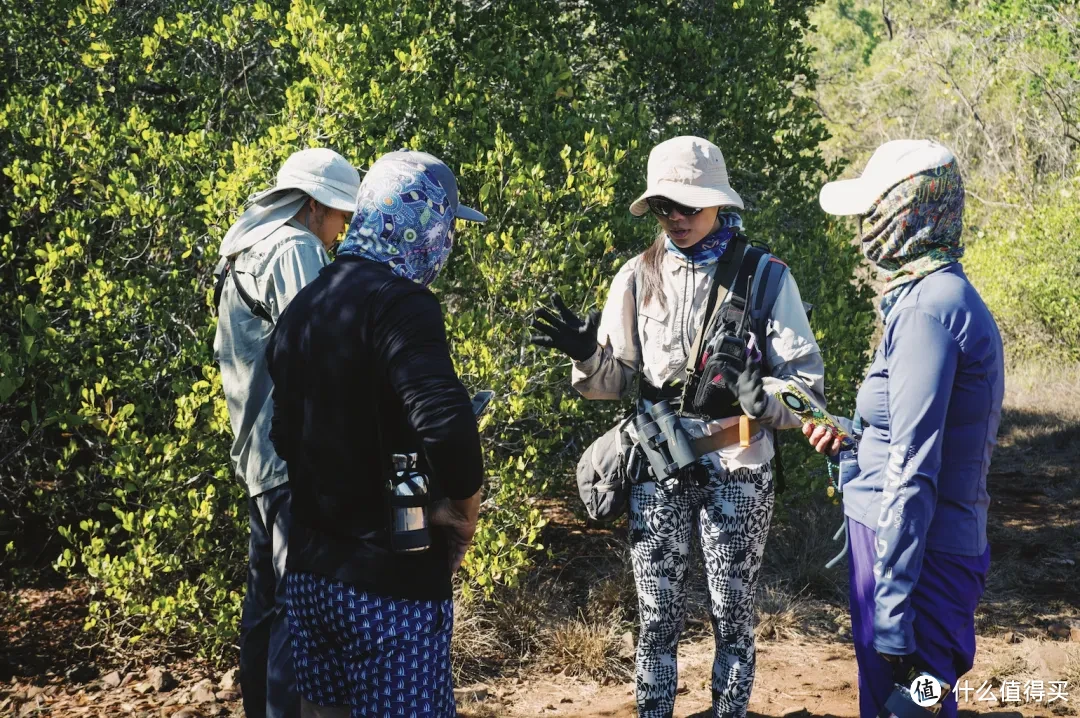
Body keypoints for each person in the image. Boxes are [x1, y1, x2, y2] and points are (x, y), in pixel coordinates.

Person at [531, 136, 824, 718]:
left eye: (689, 205)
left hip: (740, 466)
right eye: (666, 206)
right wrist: (586, 354)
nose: (677, 218)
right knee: (657, 613)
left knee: (733, 615)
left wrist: (761, 399)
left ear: (719, 203)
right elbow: (612, 381)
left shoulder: (765, 277)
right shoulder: (636, 277)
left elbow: (806, 389)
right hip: (658, 465)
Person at [265, 150, 487, 718]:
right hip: (389, 583)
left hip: (313, 573)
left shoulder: (307, 304)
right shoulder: (401, 303)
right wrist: (462, 511)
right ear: (425, 224)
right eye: (447, 225)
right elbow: (444, 422)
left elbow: (286, 437)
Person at [806, 140, 1004, 718]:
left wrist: (890, 614)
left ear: (906, 211)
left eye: (873, 213)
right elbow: (905, 436)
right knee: (917, 704)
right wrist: (851, 437)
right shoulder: (931, 296)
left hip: (918, 561)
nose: (865, 229)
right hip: (918, 549)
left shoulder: (925, 311)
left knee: (908, 707)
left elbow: (914, 465)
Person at [214, 148, 360, 718]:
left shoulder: (246, 242)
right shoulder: (294, 246)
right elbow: (320, 346)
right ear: (314, 206)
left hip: (257, 458)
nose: (342, 228)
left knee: (267, 607)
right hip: (290, 457)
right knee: (296, 613)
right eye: (340, 215)